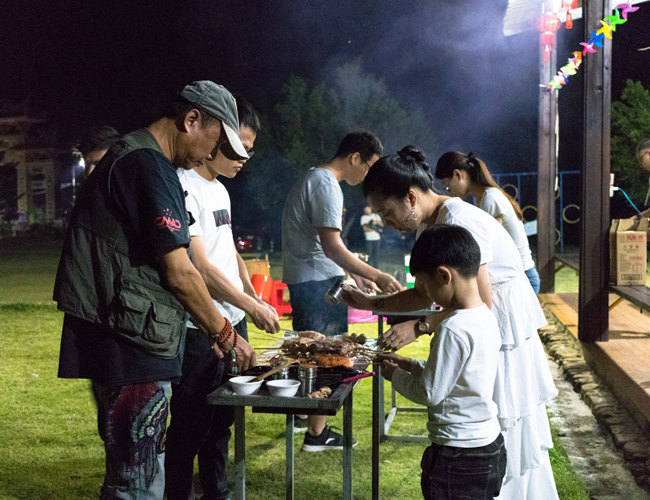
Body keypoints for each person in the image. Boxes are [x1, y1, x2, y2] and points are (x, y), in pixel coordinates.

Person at [54, 80, 256, 499]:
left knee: (138, 475)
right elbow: (180, 271)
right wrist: (225, 332)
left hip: (126, 337)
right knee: (137, 483)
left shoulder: (135, 155)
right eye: (214, 142)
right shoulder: (149, 164)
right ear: (191, 119)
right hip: (132, 346)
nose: (209, 155)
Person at [343, 146, 559, 500]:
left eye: (386, 211)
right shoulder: (428, 225)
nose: (385, 222)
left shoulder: (459, 221)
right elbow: (422, 292)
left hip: (500, 327)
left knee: (504, 423)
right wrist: (371, 303)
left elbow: (481, 303)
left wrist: (420, 326)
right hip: (481, 325)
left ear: (410, 197)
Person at [166, 96, 280, 500]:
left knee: (223, 422)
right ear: (215, 140)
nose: (244, 158)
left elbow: (227, 250)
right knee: (190, 422)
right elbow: (199, 266)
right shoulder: (183, 185)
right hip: (203, 325)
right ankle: (176, 492)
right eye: (238, 148)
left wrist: (252, 295)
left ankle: (217, 493)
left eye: (249, 150)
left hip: (235, 318)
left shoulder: (220, 190)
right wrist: (250, 306)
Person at [282, 130, 402, 450]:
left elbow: (326, 245)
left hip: (309, 277)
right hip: (318, 281)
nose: (369, 177)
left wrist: (353, 274)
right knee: (328, 356)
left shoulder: (312, 178)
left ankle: (303, 416)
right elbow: (332, 247)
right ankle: (317, 434)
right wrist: (375, 274)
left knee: (309, 350)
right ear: (354, 158)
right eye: (369, 168)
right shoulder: (326, 184)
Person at [379, 224, 506, 500]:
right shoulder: (484, 316)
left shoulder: (453, 327)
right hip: (489, 446)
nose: (423, 292)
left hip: (458, 455)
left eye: (423, 284)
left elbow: (430, 392)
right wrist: (408, 364)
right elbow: (458, 379)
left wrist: (393, 375)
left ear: (443, 275)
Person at [435, 151, 540, 294]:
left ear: (457, 175)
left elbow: (490, 247)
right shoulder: (484, 198)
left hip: (521, 277)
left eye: (447, 186)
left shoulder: (491, 198)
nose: (449, 191)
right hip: (518, 275)